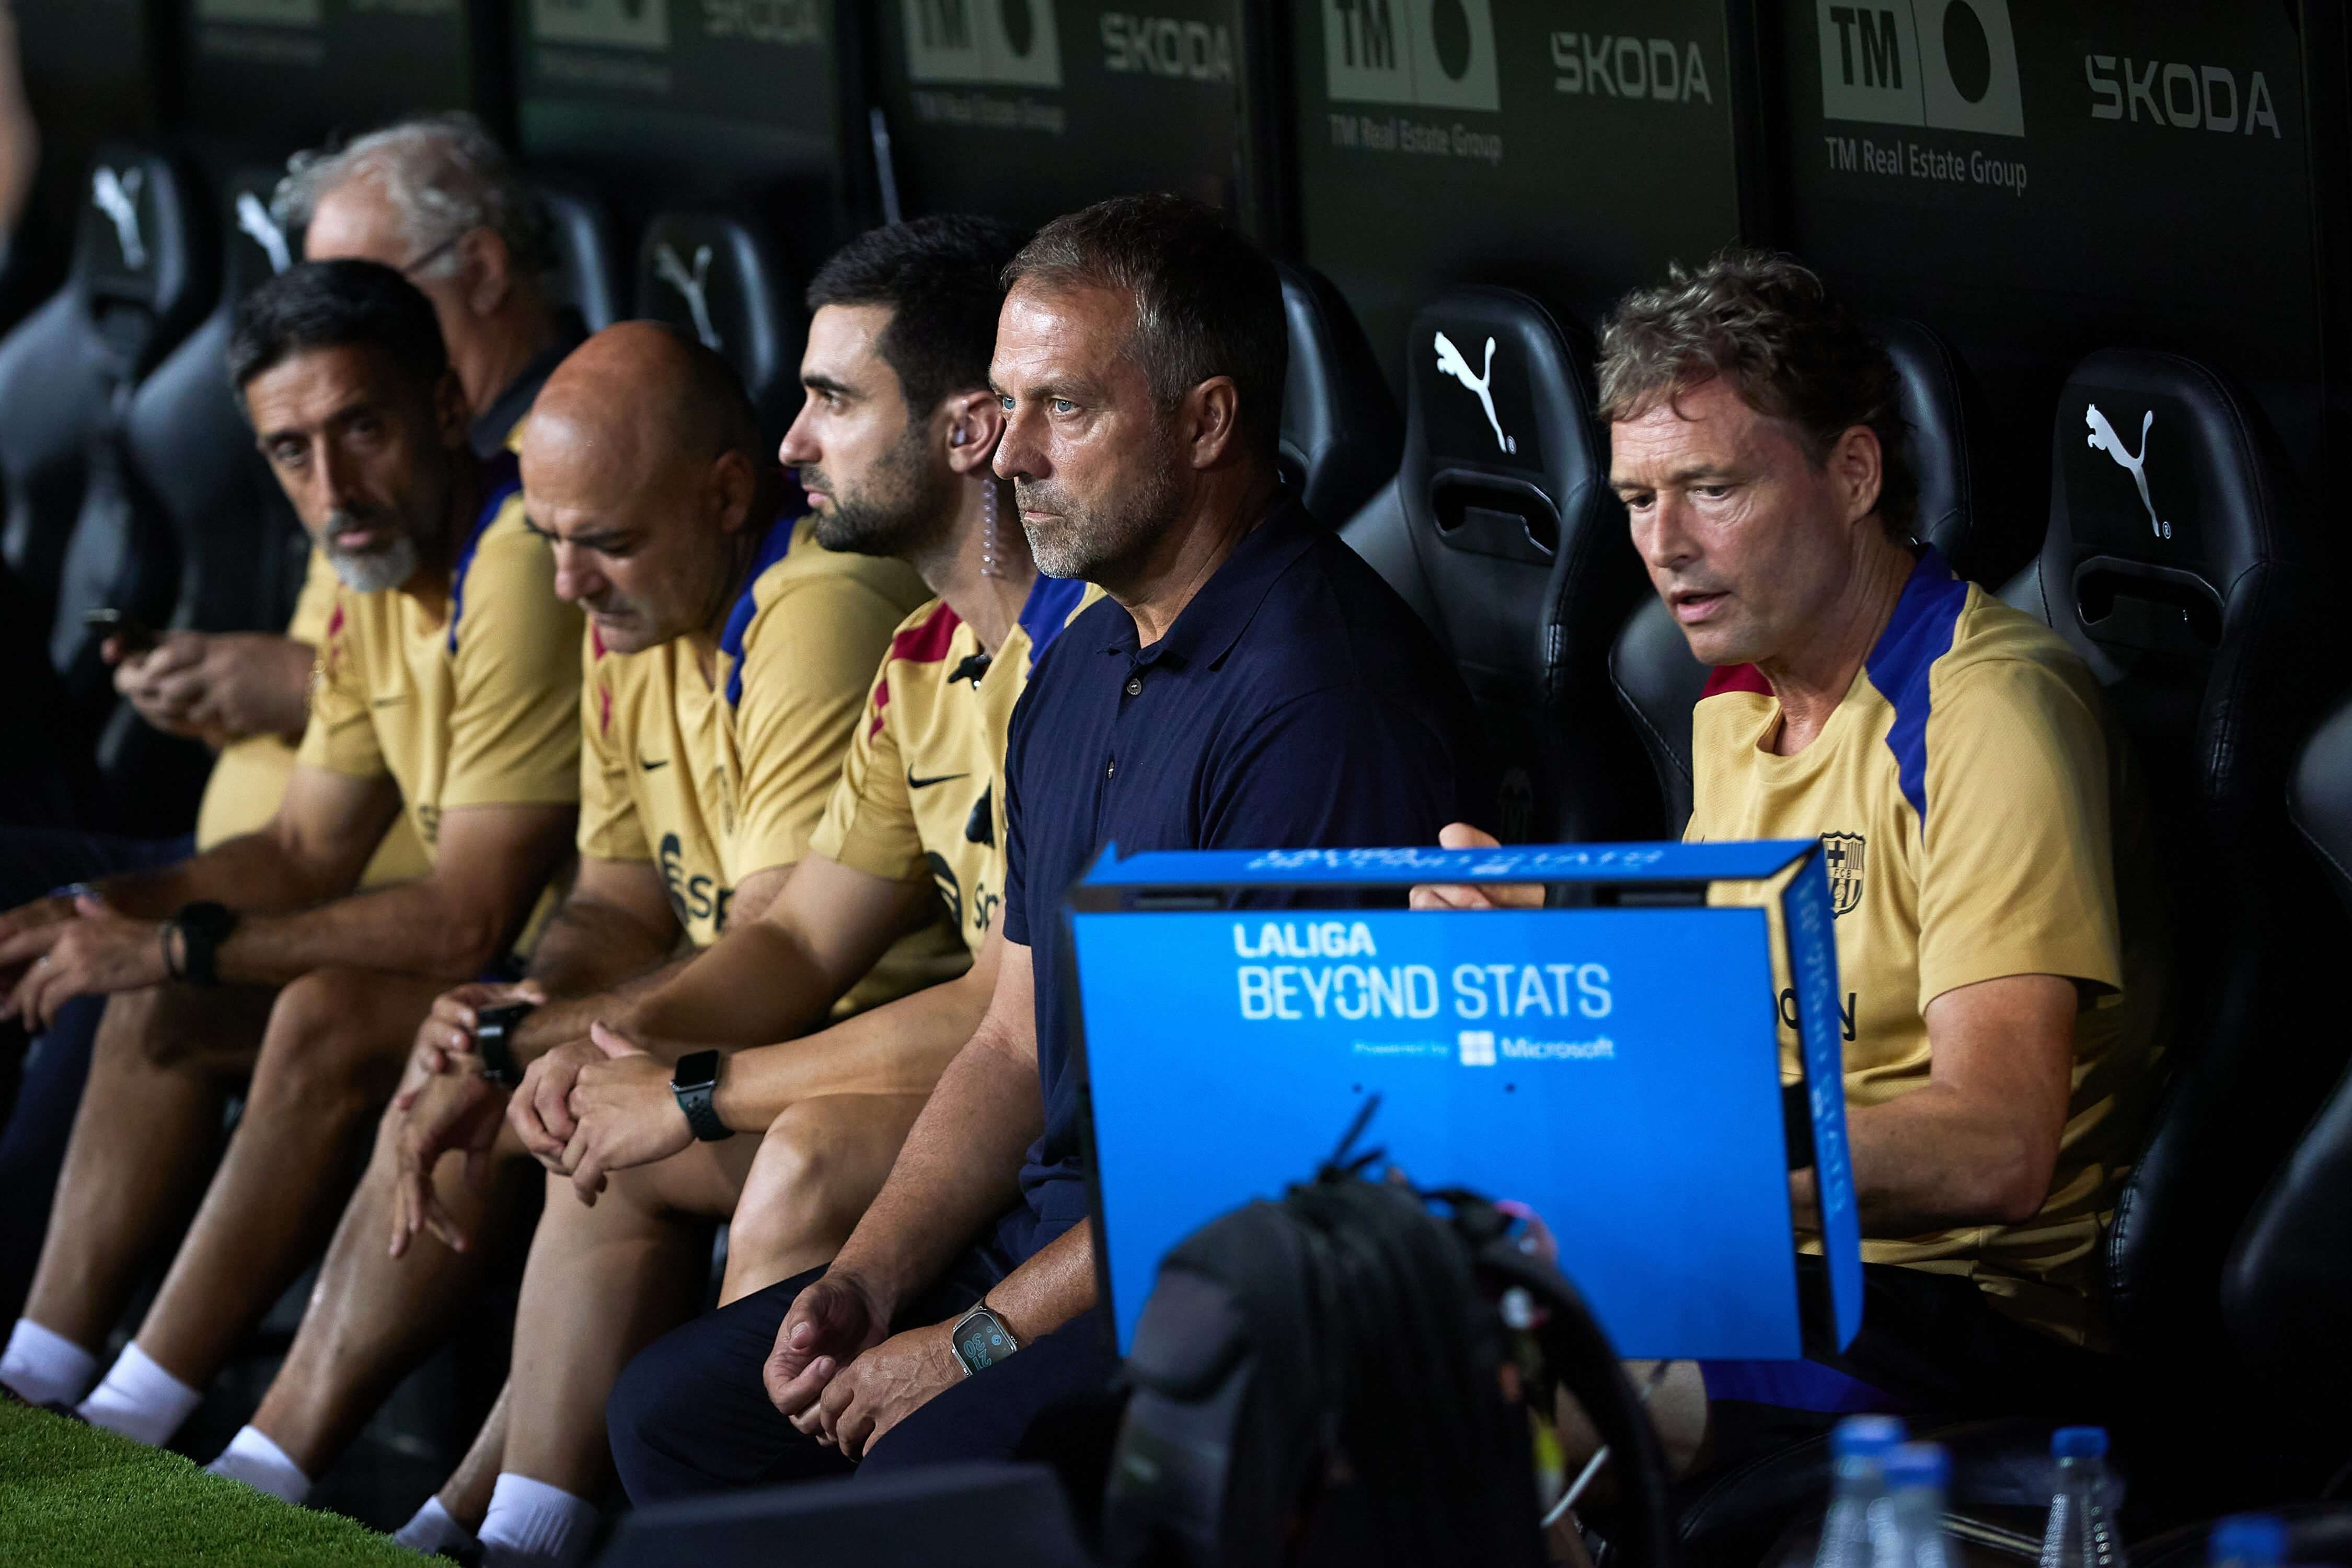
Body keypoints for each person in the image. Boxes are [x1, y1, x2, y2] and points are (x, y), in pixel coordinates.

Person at [605, 192, 1489, 1503]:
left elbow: (1268, 1151)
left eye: (1063, 408)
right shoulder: (1078, 660)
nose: (1009, 455)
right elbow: (1012, 1043)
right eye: (1007, 405)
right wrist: (866, 1284)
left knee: (922, 1467)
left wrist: (966, 1347)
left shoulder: (1320, 695)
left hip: (1230, 1279)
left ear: (1208, 422)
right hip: (1054, 1239)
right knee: (678, 1414)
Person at [1418, 250, 2165, 1469]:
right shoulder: (1736, 706)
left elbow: (1996, 1145)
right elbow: (1723, 1027)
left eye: (1711, 488)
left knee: (1480, 1391)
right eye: (1637, 499)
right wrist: (1539, 948)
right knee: (1360, 1306)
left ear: (1854, 473)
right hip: (1755, 1260)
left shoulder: (1988, 717)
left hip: (1950, 1317)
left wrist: (1698, 1166)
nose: (1663, 544)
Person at [0, 109, 577, 1321]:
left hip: (455, 925)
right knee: (75, 926)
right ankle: (46, 1366)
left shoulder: (536, 494)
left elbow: (464, 895)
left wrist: (169, 935)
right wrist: (117, 912)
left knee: (177, 978)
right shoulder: (369, 508)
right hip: (278, 860)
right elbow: (311, 818)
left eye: (356, 286)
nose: (330, 480)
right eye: (293, 451)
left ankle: (77, 1362)